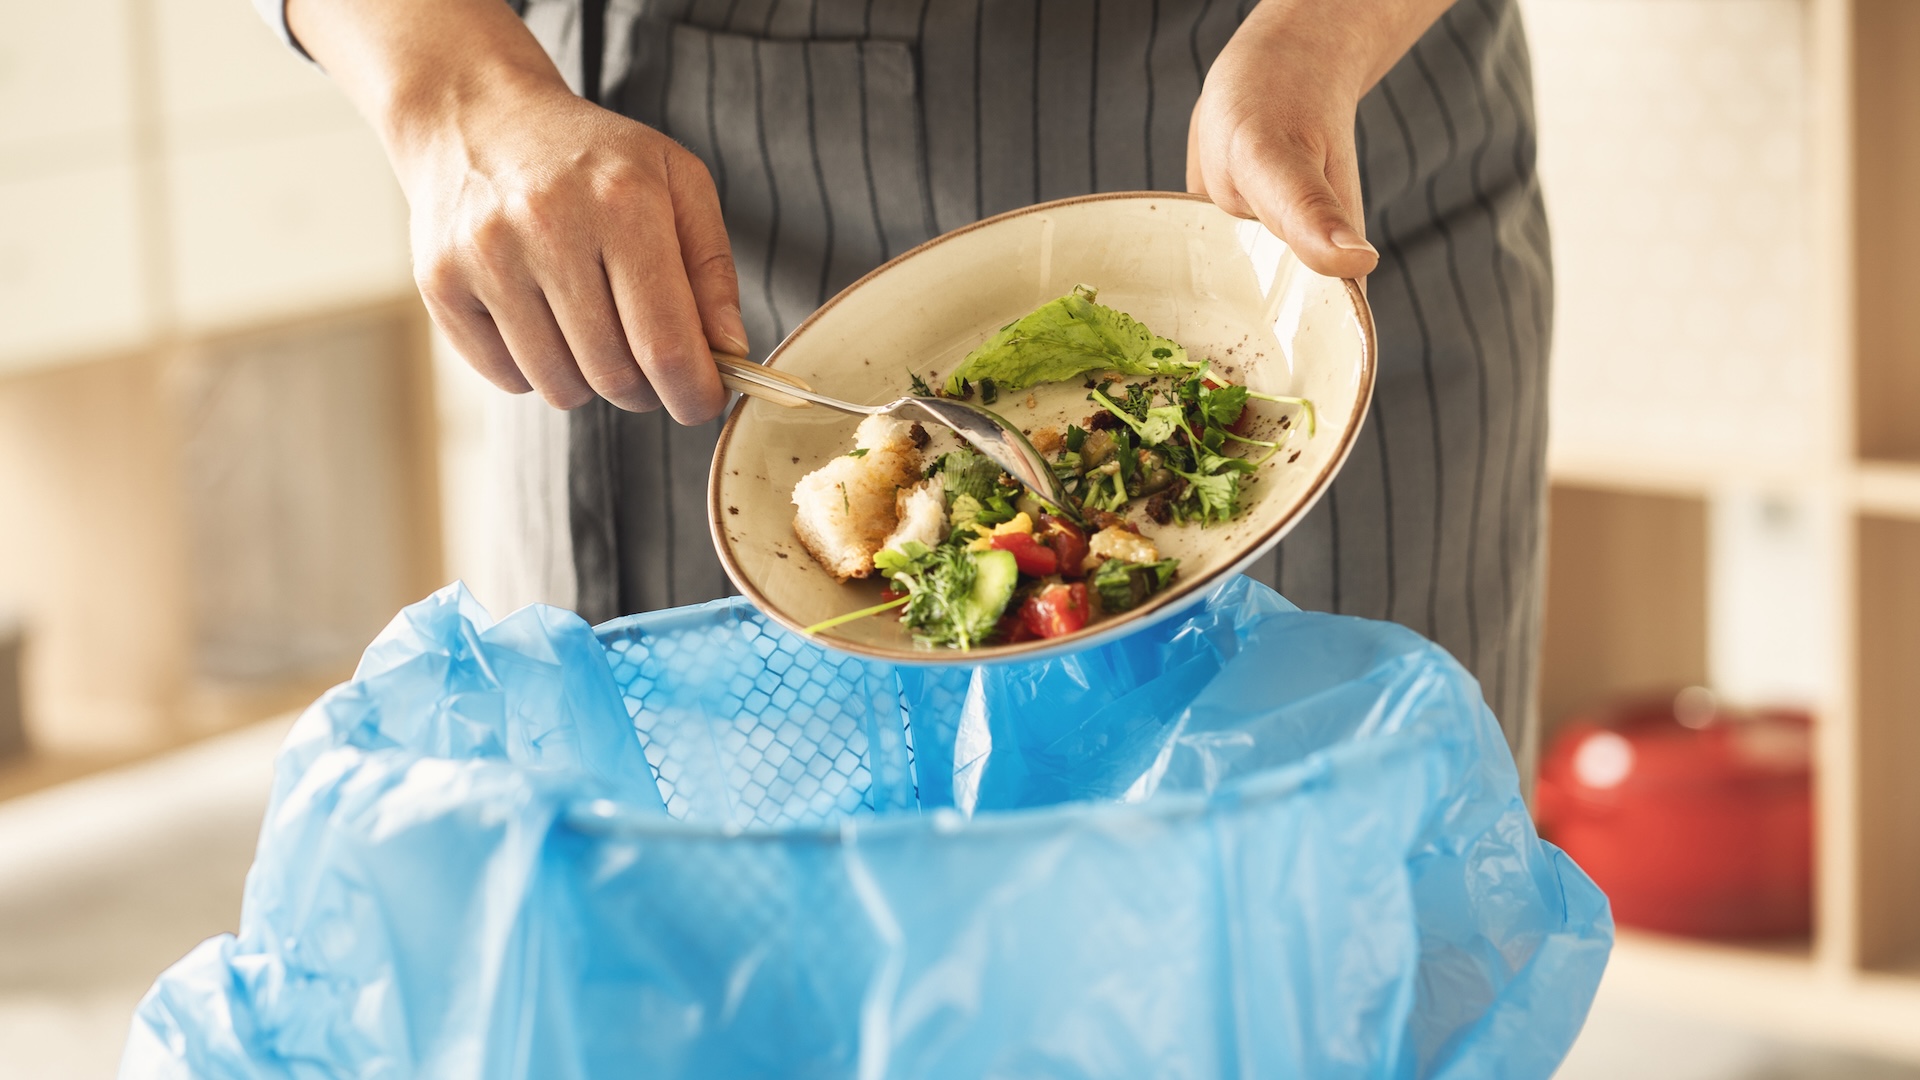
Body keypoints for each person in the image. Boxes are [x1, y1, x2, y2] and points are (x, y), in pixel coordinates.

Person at [260, 0, 1551, 776]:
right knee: (703, 970)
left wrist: (1312, 47)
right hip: (644, 185)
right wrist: (453, 95)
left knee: (1328, 953)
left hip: (1301, 123)